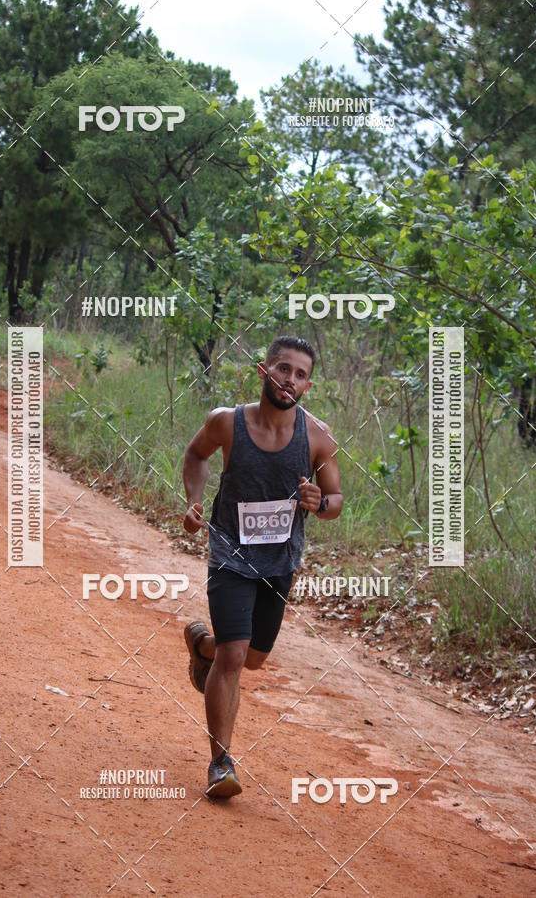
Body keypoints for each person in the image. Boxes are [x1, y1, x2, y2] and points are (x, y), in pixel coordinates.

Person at [182, 335, 343, 798]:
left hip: (279, 562)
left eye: (300, 374)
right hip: (230, 553)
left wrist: (319, 502)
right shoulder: (226, 424)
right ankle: (220, 762)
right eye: (283, 368)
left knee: (251, 659)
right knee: (236, 657)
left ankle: (204, 648)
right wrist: (194, 502)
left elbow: (335, 500)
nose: (289, 379)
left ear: (308, 385)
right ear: (264, 370)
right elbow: (195, 455)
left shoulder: (318, 437)